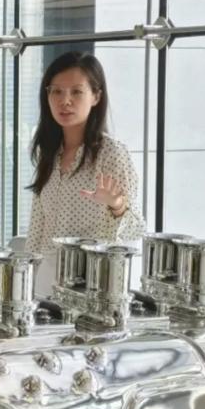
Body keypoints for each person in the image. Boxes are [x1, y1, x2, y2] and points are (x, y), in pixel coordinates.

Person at [25, 52, 145, 290]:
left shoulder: (112, 154)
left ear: (96, 96)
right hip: (46, 279)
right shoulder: (49, 152)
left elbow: (137, 229)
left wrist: (117, 205)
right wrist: (26, 279)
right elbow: (37, 228)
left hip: (91, 279)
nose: (65, 101)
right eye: (56, 91)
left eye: (77, 92)